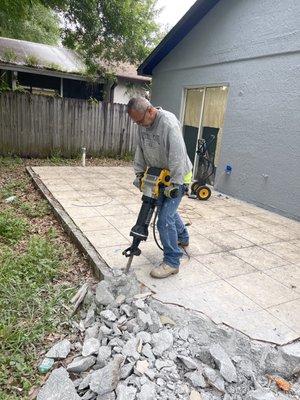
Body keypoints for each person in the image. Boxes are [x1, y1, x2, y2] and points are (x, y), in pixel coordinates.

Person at [127, 97, 193, 279]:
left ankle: (172, 262)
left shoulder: (169, 123)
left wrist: (175, 183)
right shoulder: (142, 124)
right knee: (167, 211)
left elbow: (177, 156)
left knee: (163, 220)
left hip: (177, 175)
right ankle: (183, 238)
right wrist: (140, 174)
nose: (139, 124)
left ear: (150, 111)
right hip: (159, 174)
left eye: (140, 120)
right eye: (136, 122)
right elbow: (140, 149)